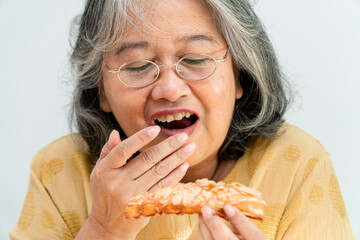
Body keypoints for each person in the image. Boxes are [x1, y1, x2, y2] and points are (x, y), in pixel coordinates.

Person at [10, 0, 354, 239]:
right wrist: (104, 230)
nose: (170, 89)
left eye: (196, 59)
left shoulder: (296, 165)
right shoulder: (58, 170)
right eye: (138, 66)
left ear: (240, 76)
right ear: (101, 91)